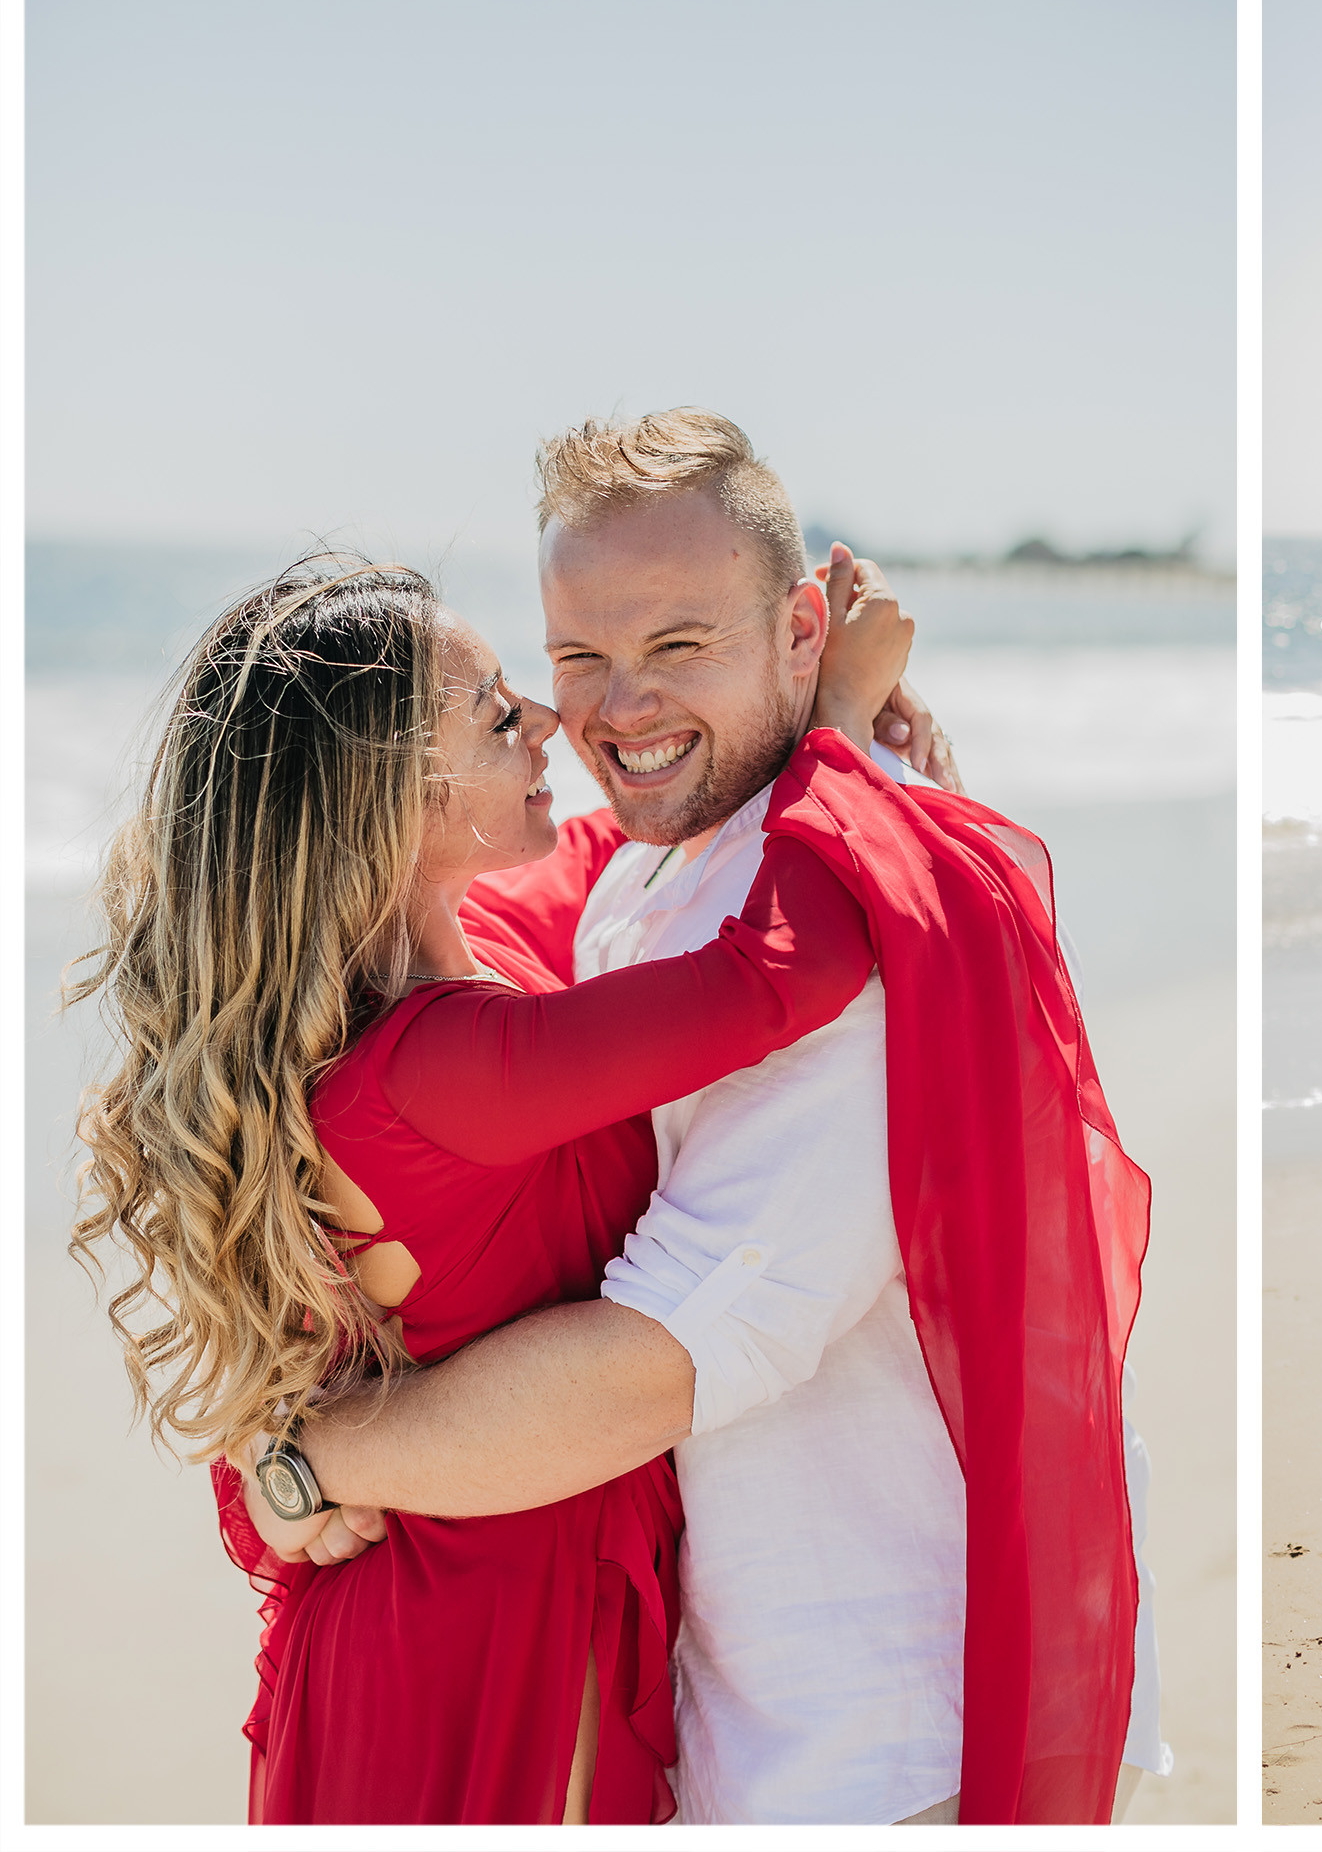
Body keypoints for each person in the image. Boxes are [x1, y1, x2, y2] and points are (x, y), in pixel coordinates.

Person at [232, 410, 1166, 1826]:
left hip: (865, 1723)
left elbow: (664, 1356)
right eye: (575, 659)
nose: (610, 713)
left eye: (679, 645)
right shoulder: (653, 871)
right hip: (712, 1705)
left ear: (804, 629)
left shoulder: (854, 906)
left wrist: (316, 1455)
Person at [69, 549, 915, 1822]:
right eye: (495, 713)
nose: (548, 725)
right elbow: (779, 976)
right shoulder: (443, 1064)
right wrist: (842, 727)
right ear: (390, 801)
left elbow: (624, 837)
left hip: (469, 1590)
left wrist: (761, 700)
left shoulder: (482, 967)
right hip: (466, 1644)